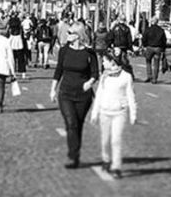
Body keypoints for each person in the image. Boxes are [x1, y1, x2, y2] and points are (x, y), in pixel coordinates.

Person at [50, 21, 99, 169]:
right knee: (71, 123)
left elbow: (95, 73)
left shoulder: (89, 53)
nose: (67, 34)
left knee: (78, 125)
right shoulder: (64, 50)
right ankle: (72, 156)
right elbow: (59, 70)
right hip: (65, 93)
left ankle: (76, 155)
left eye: (70, 33)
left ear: (78, 36)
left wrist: (89, 83)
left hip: (83, 96)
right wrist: (53, 89)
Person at [89, 50, 138, 179]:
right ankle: (106, 159)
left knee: (116, 140)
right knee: (105, 140)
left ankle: (116, 166)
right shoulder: (104, 76)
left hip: (119, 112)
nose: (103, 63)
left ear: (112, 62)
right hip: (104, 112)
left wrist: (133, 114)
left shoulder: (126, 76)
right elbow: (99, 95)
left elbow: (131, 95)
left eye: (105, 61)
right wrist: (95, 113)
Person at [141, 17, 168, 84]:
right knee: (156, 63)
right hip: (158, 48)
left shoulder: (148, 30)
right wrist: (163, 48)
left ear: (151, 22)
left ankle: (149, 76)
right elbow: (164, 40)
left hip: (149, 47)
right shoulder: (161, 30)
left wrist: (144, 45)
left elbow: (144, 38)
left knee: (148, 62)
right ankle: (155, 78)